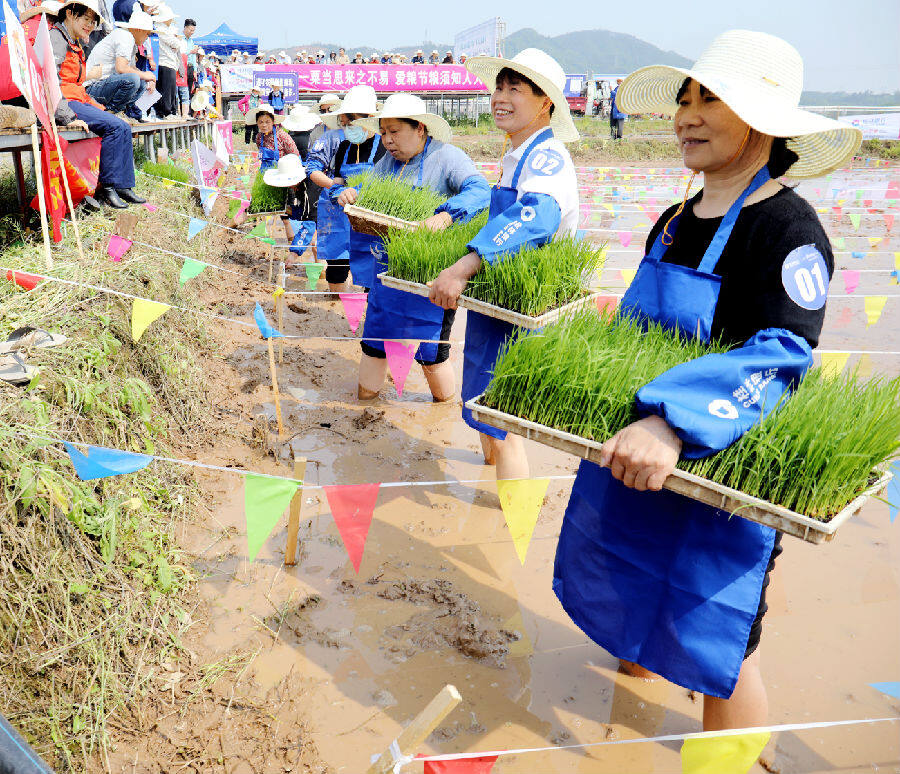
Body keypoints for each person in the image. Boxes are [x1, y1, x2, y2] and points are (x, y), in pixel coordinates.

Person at [552, 30, 862, 733]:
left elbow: (784, 352)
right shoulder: (673, 219)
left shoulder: (787, 227)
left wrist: (672, 420)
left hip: (721, 459)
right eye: (684, 99)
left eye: (709, 100)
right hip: (636, 454)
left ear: (763, 120)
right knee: (628, 576)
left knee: (718, 636)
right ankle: (627, 717)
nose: (686, 115)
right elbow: (635, 334)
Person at [429, 48, 579, 480]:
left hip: (522, 308)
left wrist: (462, 267)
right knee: (484, 399)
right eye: (499, 86)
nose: (501, 97)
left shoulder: (547, 157)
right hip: (500, 302)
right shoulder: (518, 155)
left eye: (515, 89)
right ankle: (489, 475)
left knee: (503, 414)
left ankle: (504, 529)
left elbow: (535, 215)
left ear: (545, 101)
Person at [337, 94, 490, 401]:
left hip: (431, 281)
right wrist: (353, 193)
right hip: (388, 277)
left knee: (432, 356)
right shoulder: (387, 163)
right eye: (383, 133)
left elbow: (481, 190)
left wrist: (447, 215)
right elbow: (371, 190)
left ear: (419, 128)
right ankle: (364, 405)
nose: (387, 140)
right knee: (374, 345)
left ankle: (443, 413)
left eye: (394, 131)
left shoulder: (448, 157)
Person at [50, 0, 146, 208]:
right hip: (66, 104)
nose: (90, 26)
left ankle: (123, 186)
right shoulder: (56, 38)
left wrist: (100, 108)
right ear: (69, 13)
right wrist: (67, 118)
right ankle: (107, 188)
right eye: (86, 19)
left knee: (122, 125)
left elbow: (78, 86)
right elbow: (50, 83)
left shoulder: (74, 42)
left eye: (93, 22)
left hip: (78, 99)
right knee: (114, 127)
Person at [306, 85, 380, 292]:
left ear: (369, 119)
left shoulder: (383, 146)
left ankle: (362, 316)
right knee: (337, 267)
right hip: (341, 216)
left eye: (352, 123)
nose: (348, 128)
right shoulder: (343, 147)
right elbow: (336, 180)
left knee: (370, 272)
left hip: (370, 221)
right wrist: (339, 192)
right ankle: (337, 311)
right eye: (345, 124)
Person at [84, 2, 156, 120]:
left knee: (142, 82)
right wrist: (145, 75)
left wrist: (149, 78)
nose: (147, 37)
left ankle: (122, 112)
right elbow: (121, 68)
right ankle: (112, 112)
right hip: (92, 88)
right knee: (134, 80)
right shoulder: (125, 36)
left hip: (104, 85)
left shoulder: (130, 39)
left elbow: (131, 68)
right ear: (138, 30)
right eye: (147, 34)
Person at [152, 3, 180, 120]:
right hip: (165, 63)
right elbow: (176, 43)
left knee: (171, 90)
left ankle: (170, 111)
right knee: (166, 90)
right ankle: (166, 112)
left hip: (169, 63)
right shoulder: (161, 29)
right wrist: (175, 41)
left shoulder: (164, 29)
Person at [254, 104, 299, 171]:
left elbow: (295, 156)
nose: (264, 125)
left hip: (282, 172)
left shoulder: (282, 136)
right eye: (261, 122)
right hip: (264, 172)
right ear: (257, 123)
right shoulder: (259, 137)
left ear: (273, 122)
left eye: (267, 122)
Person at [182, 17, 198, 101]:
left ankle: (188, 111)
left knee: (189, 90)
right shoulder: (180, 39)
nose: (192, 32)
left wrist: (195, 70)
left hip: (190, 67)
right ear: (185, 28)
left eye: (193, 30)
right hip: (183, 67)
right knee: (182, 89)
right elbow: (181, 53)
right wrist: (191, 51)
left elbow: (193, 56)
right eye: (191, 30)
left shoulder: (191, 41)